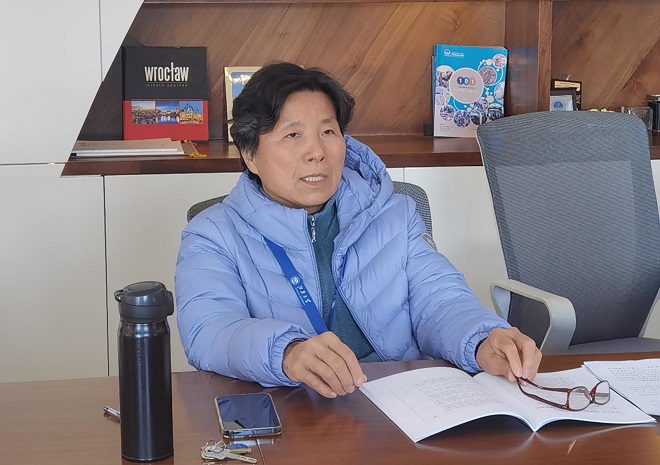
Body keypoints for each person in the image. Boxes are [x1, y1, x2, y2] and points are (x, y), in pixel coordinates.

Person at [175, 62, 542, 399]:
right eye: (293, 135)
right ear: (250, 154)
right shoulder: (213, 234)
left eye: (328, 131)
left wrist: (482, 338)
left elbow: (440, 299)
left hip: (405, 400)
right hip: (294, 406)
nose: (317, 152)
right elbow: (209, 331)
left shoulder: (392, 213)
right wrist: (286, 352)